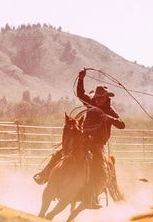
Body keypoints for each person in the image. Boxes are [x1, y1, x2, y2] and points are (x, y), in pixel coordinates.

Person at [33, 69, 125, 208]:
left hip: (97, 143)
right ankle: (45, 175)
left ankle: (92, 196)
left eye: (101, 97)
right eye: (98, 97)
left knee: (98, 164)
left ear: (106, 98)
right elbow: (81, 94)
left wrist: (108, 118)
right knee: (61, 153)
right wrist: (81, 79)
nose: (98, 99)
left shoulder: (110, 110)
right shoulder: (91, 102)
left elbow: (121, 124)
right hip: (83, 139)